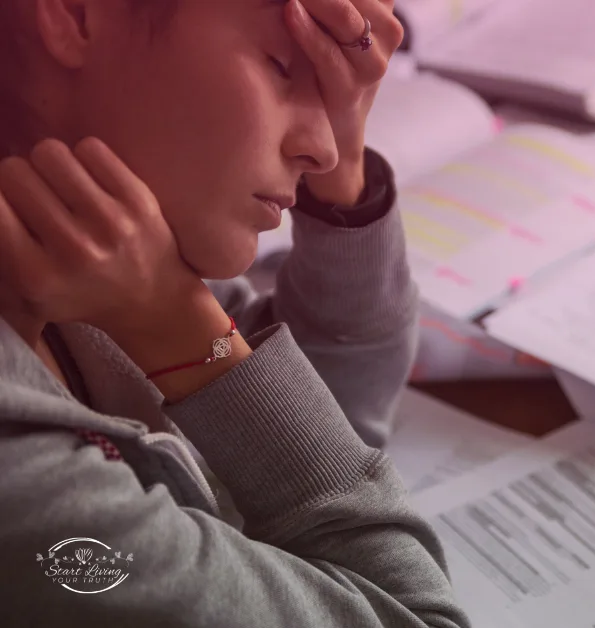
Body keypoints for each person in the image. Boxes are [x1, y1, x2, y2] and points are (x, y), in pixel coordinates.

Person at [0, 0, 469, 626]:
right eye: (282, 65)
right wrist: (181, 330)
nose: (324, 150)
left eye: (329, 83)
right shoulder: (30, 488)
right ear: (75, 13)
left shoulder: (91, 239)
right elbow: (412, 612)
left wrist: (346, 175)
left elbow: (319, 435)